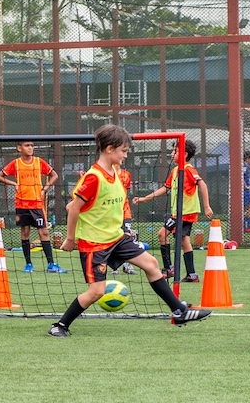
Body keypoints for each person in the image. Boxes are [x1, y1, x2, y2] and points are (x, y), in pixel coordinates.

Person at [48, 124, 211, 337]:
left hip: (116, 237)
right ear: (109, 149)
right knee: (96, 292)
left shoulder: (115, 172)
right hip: (95, 244)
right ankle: (60, 325)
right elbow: (74, 208)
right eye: (123, 151)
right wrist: (70, 239)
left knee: (151, 264)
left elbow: (78, 205)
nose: (125, 155)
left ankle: (179, 311)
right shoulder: (93, 177)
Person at [134, 139, 213, 283]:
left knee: (162, 234)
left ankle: (168, 269)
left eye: (175, 151)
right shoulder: (175, 170)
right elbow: (165, 188)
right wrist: (145, 198)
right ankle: (192, 275)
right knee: (184, 241)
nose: (172, 154)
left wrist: (206, 206)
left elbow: (202, 184)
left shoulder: (189, 169)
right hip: (179, 212)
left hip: (186, 213)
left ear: (184, 154)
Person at [0, 140, 66, 273]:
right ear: (19, 148)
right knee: (25, 232)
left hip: (37, 204)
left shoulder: (39, 162)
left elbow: (54, 175)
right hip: (21, 204)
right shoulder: (15, 164)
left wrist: (45, 189)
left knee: (43, 232)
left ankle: (51, 264)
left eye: (32, 145)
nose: (30, 148)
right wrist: (13, 184)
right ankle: (28, 264)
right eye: (27, 145)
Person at [111, 162, 137, 275]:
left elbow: (126, 192)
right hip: (112, 212)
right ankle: (114, 266)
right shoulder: (107, 174)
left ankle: (127, 265)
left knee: (128, 235)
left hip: (125, 211)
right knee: (113, 237)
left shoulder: (126, 175)